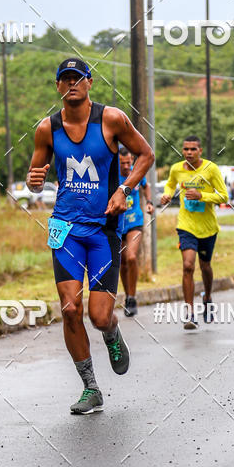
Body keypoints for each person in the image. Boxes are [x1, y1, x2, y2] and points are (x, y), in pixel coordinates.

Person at [27, 57, 154, 415]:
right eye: (64, 79)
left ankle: (112, 333)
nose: (71, 84)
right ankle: (91, 388)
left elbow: (146, 154)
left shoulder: (111, 119)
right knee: (70, 309)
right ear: (57, 86)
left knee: (99, 316)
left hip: (103, 230)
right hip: (64, 227)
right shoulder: (46, 129)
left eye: (77, 78)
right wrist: (32, 181)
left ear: (89, 82)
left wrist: (125, 191)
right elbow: (34, 175)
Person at [159, 135, 228, 329]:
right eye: (186, 149)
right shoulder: (176, 169)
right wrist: (167, 194)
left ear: (200, 151)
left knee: (205, 266)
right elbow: (171, 184)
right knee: (188, 265)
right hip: (186, 226)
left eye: (193, 149)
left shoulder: (211, 169)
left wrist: (202, 195)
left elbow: (224, 196)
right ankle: (189, 313)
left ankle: (207, 297)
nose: (189, 152)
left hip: (207, 228)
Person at [118, 147, 154, 317]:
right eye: (122, 163)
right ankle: (128, 296)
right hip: (117, 224)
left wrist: (149, 202)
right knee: (122, 263)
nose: (126, 166)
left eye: (128, 162)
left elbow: (146, 186)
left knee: (131, 257)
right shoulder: (111, 176)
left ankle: (132, 297)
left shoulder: (136, 173)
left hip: (135, 222)